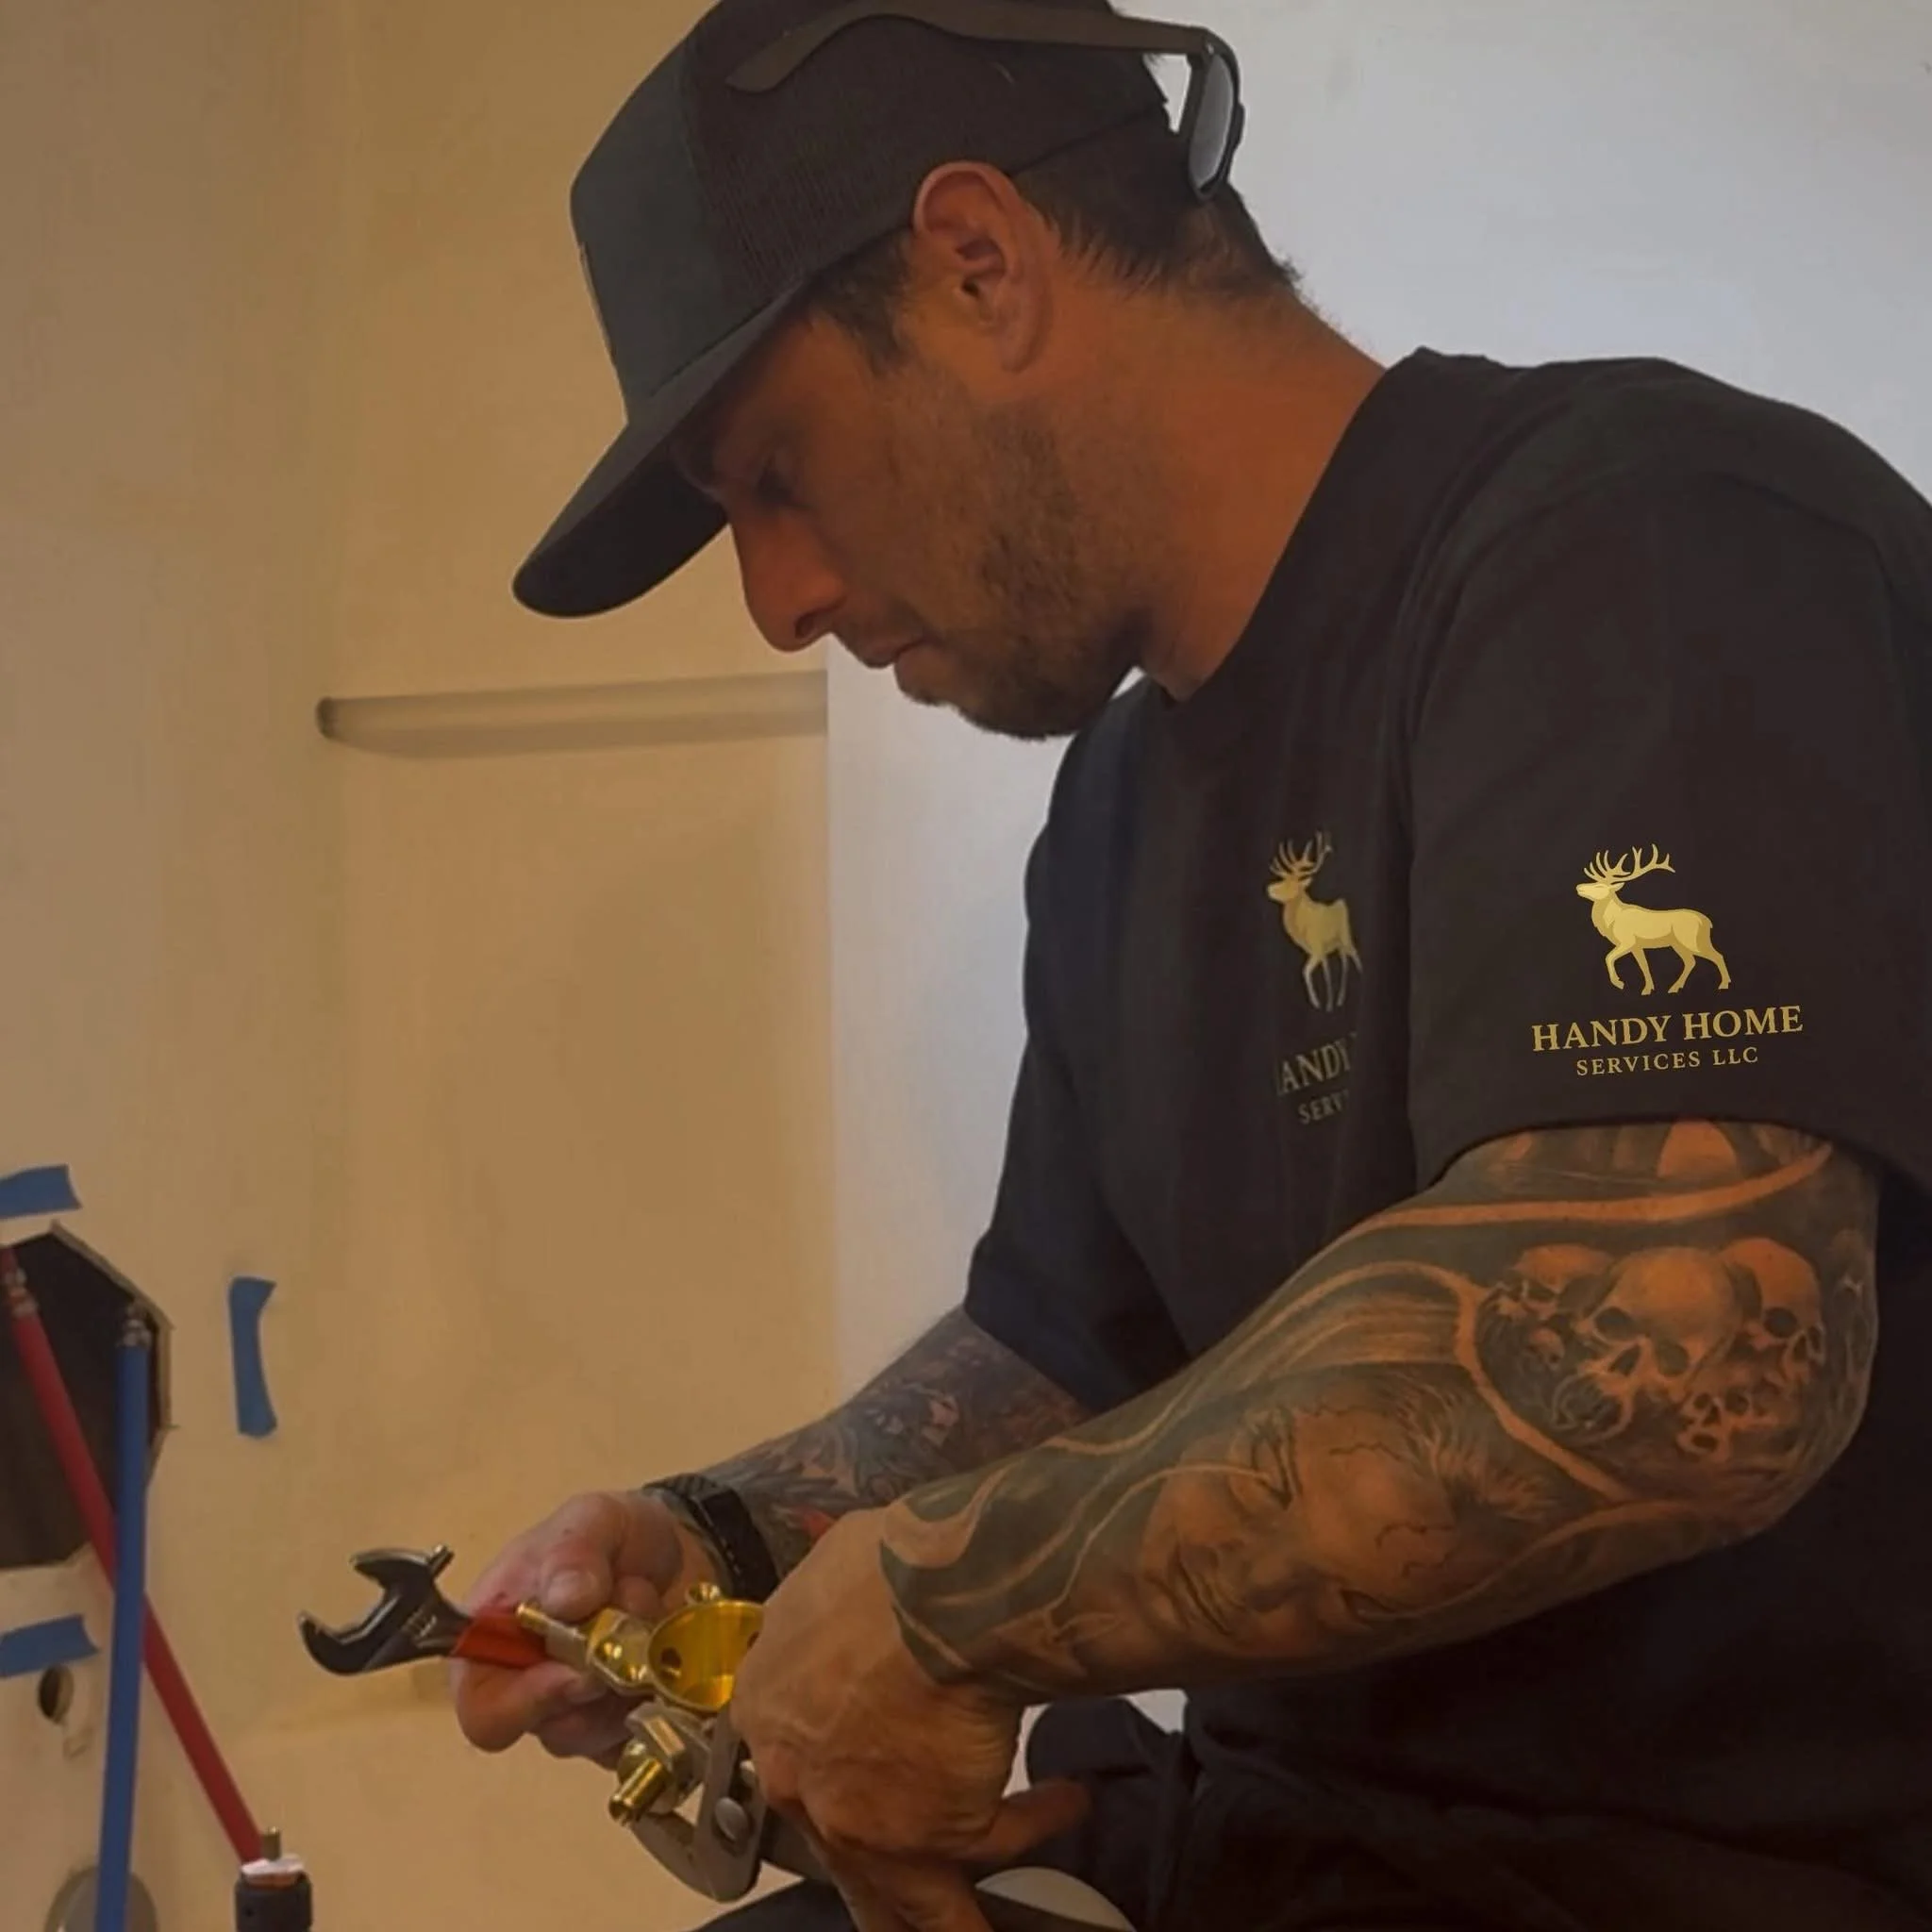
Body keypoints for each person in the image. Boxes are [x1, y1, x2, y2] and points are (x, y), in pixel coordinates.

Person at [452, 2, 1932, 1927]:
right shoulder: (1124, 805)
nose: (777, 603)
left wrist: (944, 1598)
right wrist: (717, 1541)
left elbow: (1677, 1341)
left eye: (778, 476)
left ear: (980, 264)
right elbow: (1073, 1351)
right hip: (1269, 1855)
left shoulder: (1645, 542)